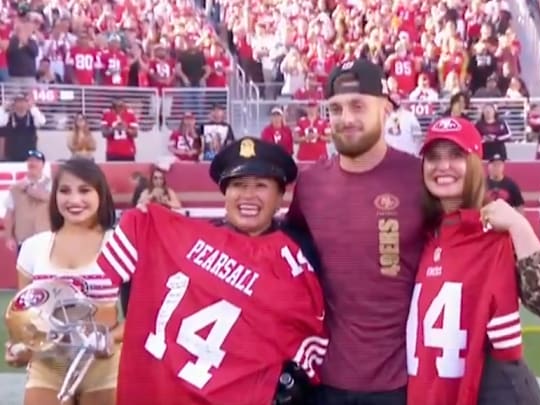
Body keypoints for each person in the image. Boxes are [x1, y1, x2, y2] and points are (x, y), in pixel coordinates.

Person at [287, 60, 540, 405]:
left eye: (359, 105)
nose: (346, 118)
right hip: (326, 382)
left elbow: (476, 230)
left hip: (405, 384)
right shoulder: (311, 185)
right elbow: (287, 256)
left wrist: (519, 227)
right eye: (336, 109)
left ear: (385, 109)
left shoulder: (421, 178)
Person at [98, 137, 326, 405]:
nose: (248, 195)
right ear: (225, 194)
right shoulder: (182, 238)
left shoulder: (297, 257)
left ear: (279, 197)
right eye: (238, 185)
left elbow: (307, 345)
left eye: (261, 186)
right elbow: (130, 287)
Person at [408, 116, 540, 405]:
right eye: (433, 157)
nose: (443, 166)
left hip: (493, 388)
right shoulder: (427, 233)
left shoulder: (496, 228)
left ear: (476, 164)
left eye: (455, 155)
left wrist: (519, 226)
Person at [4, 158, 121, 405]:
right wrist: (21, 347)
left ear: (101, 194)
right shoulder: (34, 247)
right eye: (65, 191)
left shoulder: (119, 244)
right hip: (48, 363)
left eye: (85, 190)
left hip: (102, 362)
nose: (74, 200)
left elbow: (146, 314)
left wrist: (111, 338)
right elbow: (26, 314)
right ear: (54, 196)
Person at [3, 149, 51, 253]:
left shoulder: (51, 185)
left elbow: (46, 197)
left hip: (46, 239)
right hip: (24, 239)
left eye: (37, 161)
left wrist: (27, 189)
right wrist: (9, 237)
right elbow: (9, 214)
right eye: (30, 160)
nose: (33, 163)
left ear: (43, 165)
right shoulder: (15, 188)